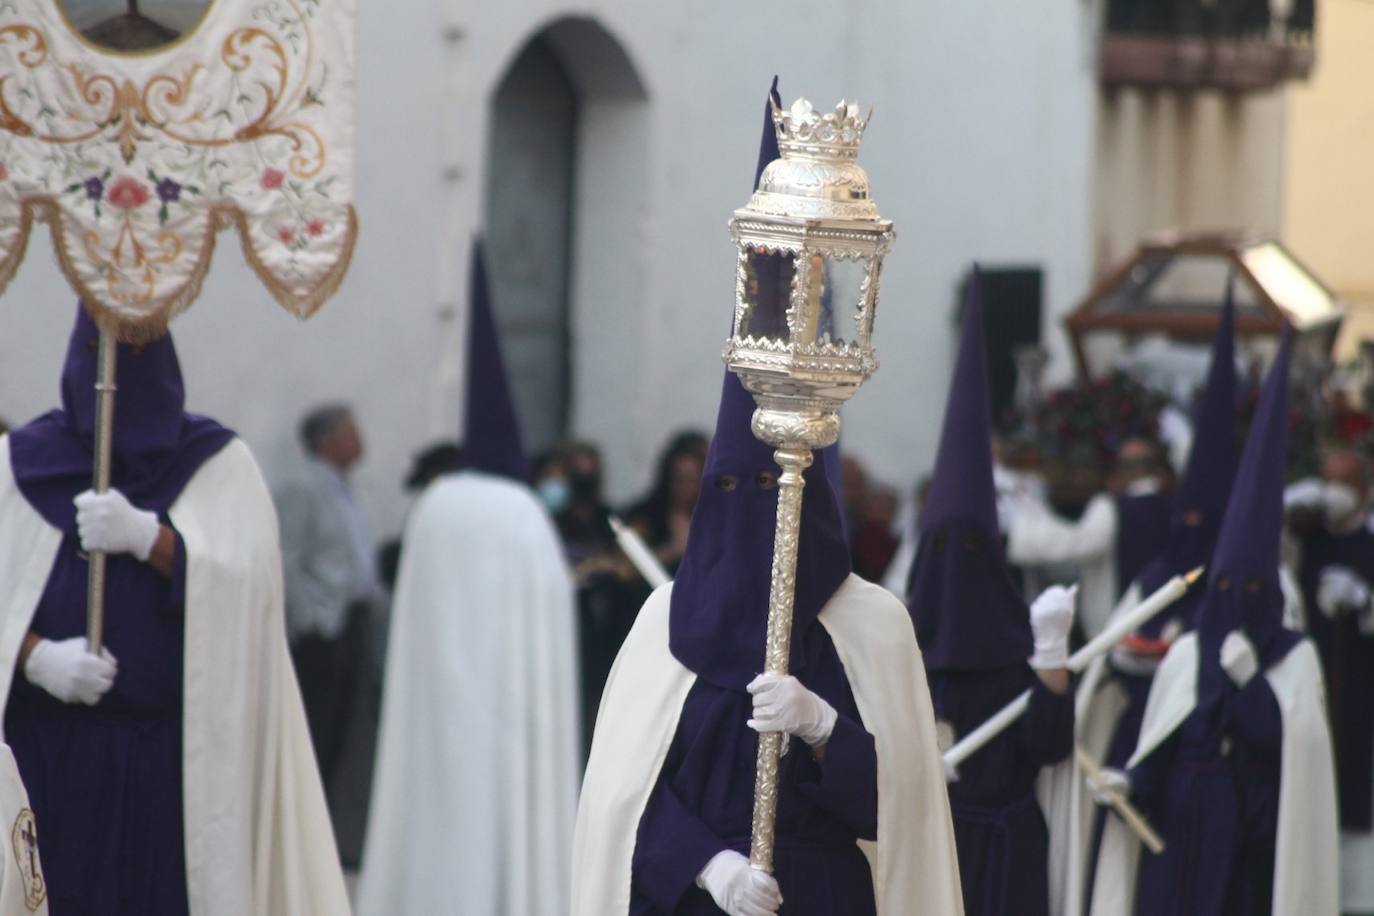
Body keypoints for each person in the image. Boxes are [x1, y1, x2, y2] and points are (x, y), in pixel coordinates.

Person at [572, 79, 963, 916]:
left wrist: (824, 728)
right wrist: (709, 865)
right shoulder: (665, 621)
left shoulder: (870, 625)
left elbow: (901, 813)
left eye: (770, 486)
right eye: (732, 488)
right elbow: (622, 800)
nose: (753, 506)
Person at [0, 305, 347, 914]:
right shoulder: (19, 464)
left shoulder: (216, 463)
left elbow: (252, 595)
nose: (114, 380)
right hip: (49, 751)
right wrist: (34, 658)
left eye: (135, 355)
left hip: (172, 763)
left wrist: (151, 540)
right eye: (100, 355)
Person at [357, 237, 580, 915]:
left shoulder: (435, 506)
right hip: (506, 718)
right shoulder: (521, 515)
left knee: (434, 827)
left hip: (436, 717)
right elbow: (551, 629)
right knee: (500, 829)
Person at [1094, 328, 1339, 914]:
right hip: (1181, 828)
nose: (1234, 600)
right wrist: (1133, 781)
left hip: (1249, 836)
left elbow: (1296, 753)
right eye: (1224, 587)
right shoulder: (1188, 651)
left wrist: (1254, 686)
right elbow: (1164, 739)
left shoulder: (1294, 654)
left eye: (1248, 590)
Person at [1064, 287, 1239, 915]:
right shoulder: (1161, 574)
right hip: (1139, 742)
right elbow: (1116, 647)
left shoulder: (1250, 588)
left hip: (1217, 765)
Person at [906, 271, 1075, 916]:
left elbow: (1048, 747)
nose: (957, 567)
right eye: (943, 547)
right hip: (926, 846)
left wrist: (1051, 658)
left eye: (972, 547)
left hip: (1006, 854)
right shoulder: (901, 648)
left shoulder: (1016, 645)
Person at [275, 403, 379, 801]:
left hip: (351, 619)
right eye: (350, 432)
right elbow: (286, 556)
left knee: (341, 726)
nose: (359, 440)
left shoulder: (345, 488)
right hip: (325, 625)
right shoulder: (303, 487)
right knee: (318, 722)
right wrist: (310, 621)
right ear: (326, 441)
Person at [1288, 445, 1374, 914]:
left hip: (1363, 686)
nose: (1334, 491)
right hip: (1315, 677)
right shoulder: (1308, 536)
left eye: (1344, 482)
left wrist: (1364, 601)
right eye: (1328, 481)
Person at [1006, 434, 1173, 639]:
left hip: (1117, 627)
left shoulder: (1111, 508)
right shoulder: (1177, 508)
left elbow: (1076, 544)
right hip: (1163, 624)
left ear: (1120, 471)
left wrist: (1019, 521)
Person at [625, 430, 708, 574]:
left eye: (692, 480)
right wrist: (671, 552)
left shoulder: (717, 519)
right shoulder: (645, 518)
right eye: (679, 479)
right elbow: (625, 567)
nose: (685, 488)